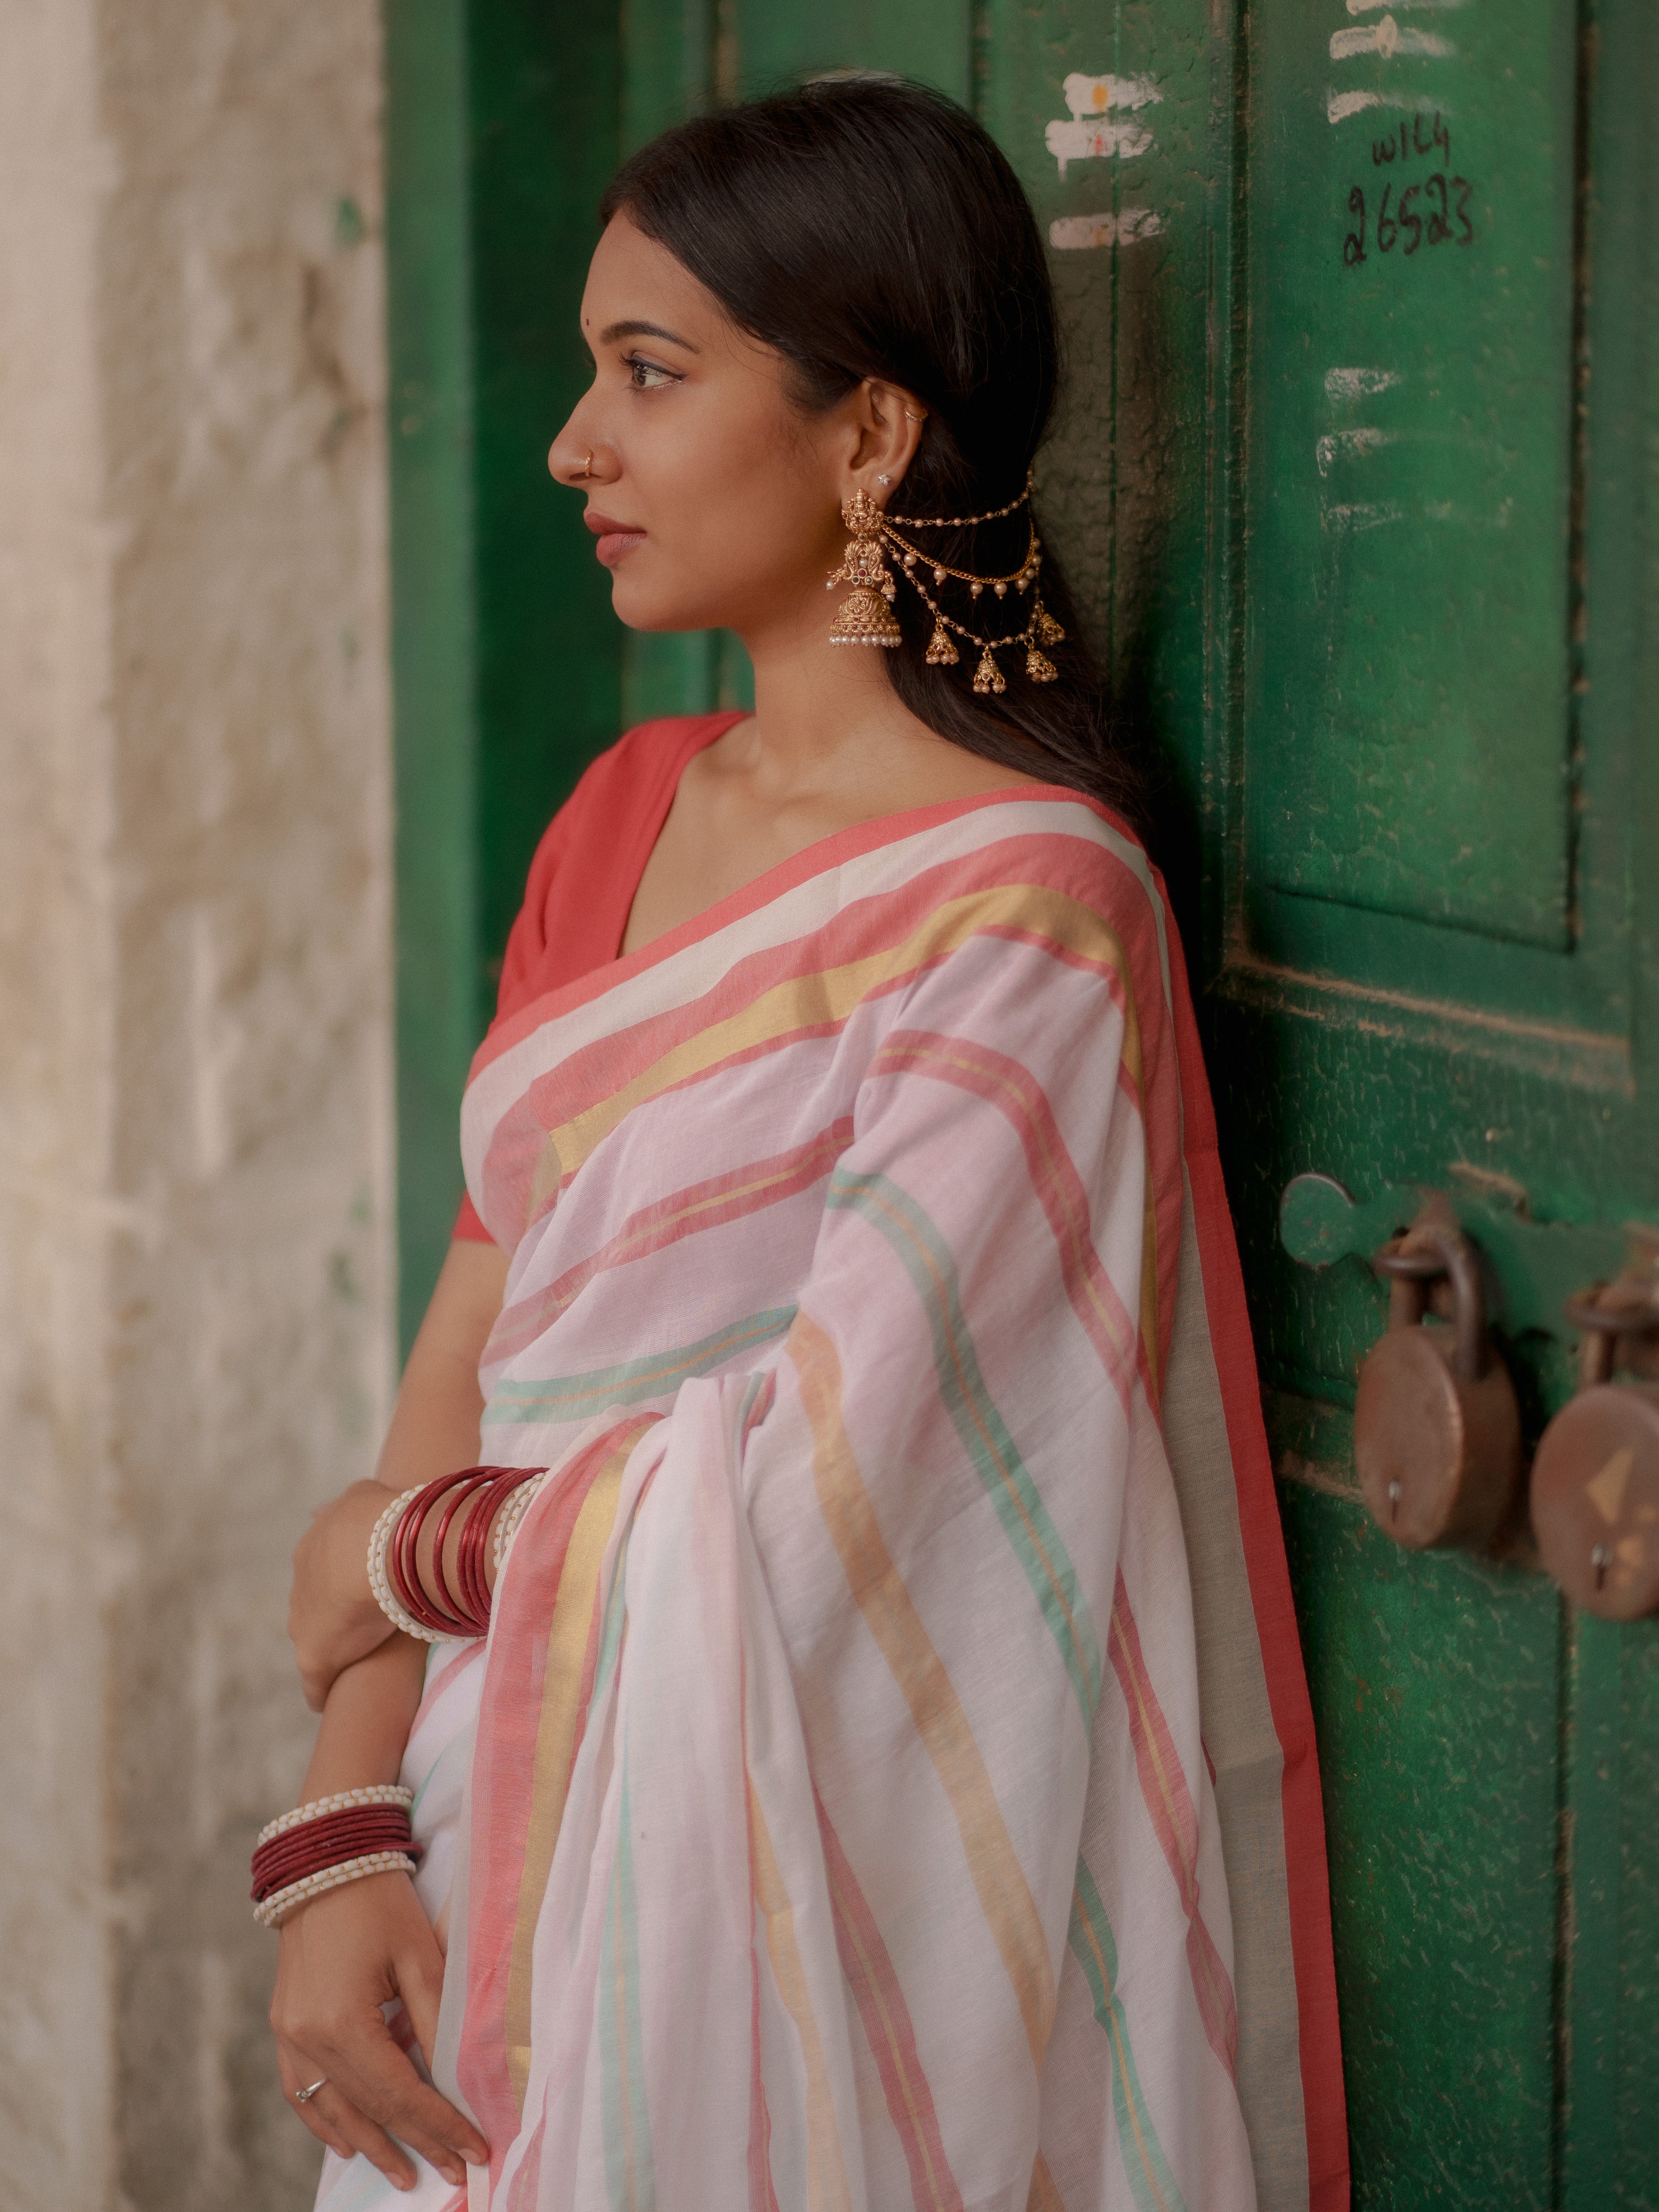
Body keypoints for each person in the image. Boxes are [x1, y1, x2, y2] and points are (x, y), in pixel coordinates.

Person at [268, 77, 1347, 2212]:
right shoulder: (619, 818)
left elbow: (848, 1483)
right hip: (494, 1822)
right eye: (592, 372)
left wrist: (405, 1555)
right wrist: (339, 1831)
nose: (576, 442)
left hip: (817, 1863)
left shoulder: (1032, 908)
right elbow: (469, 1342)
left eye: (647, 375)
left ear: (867, 436)